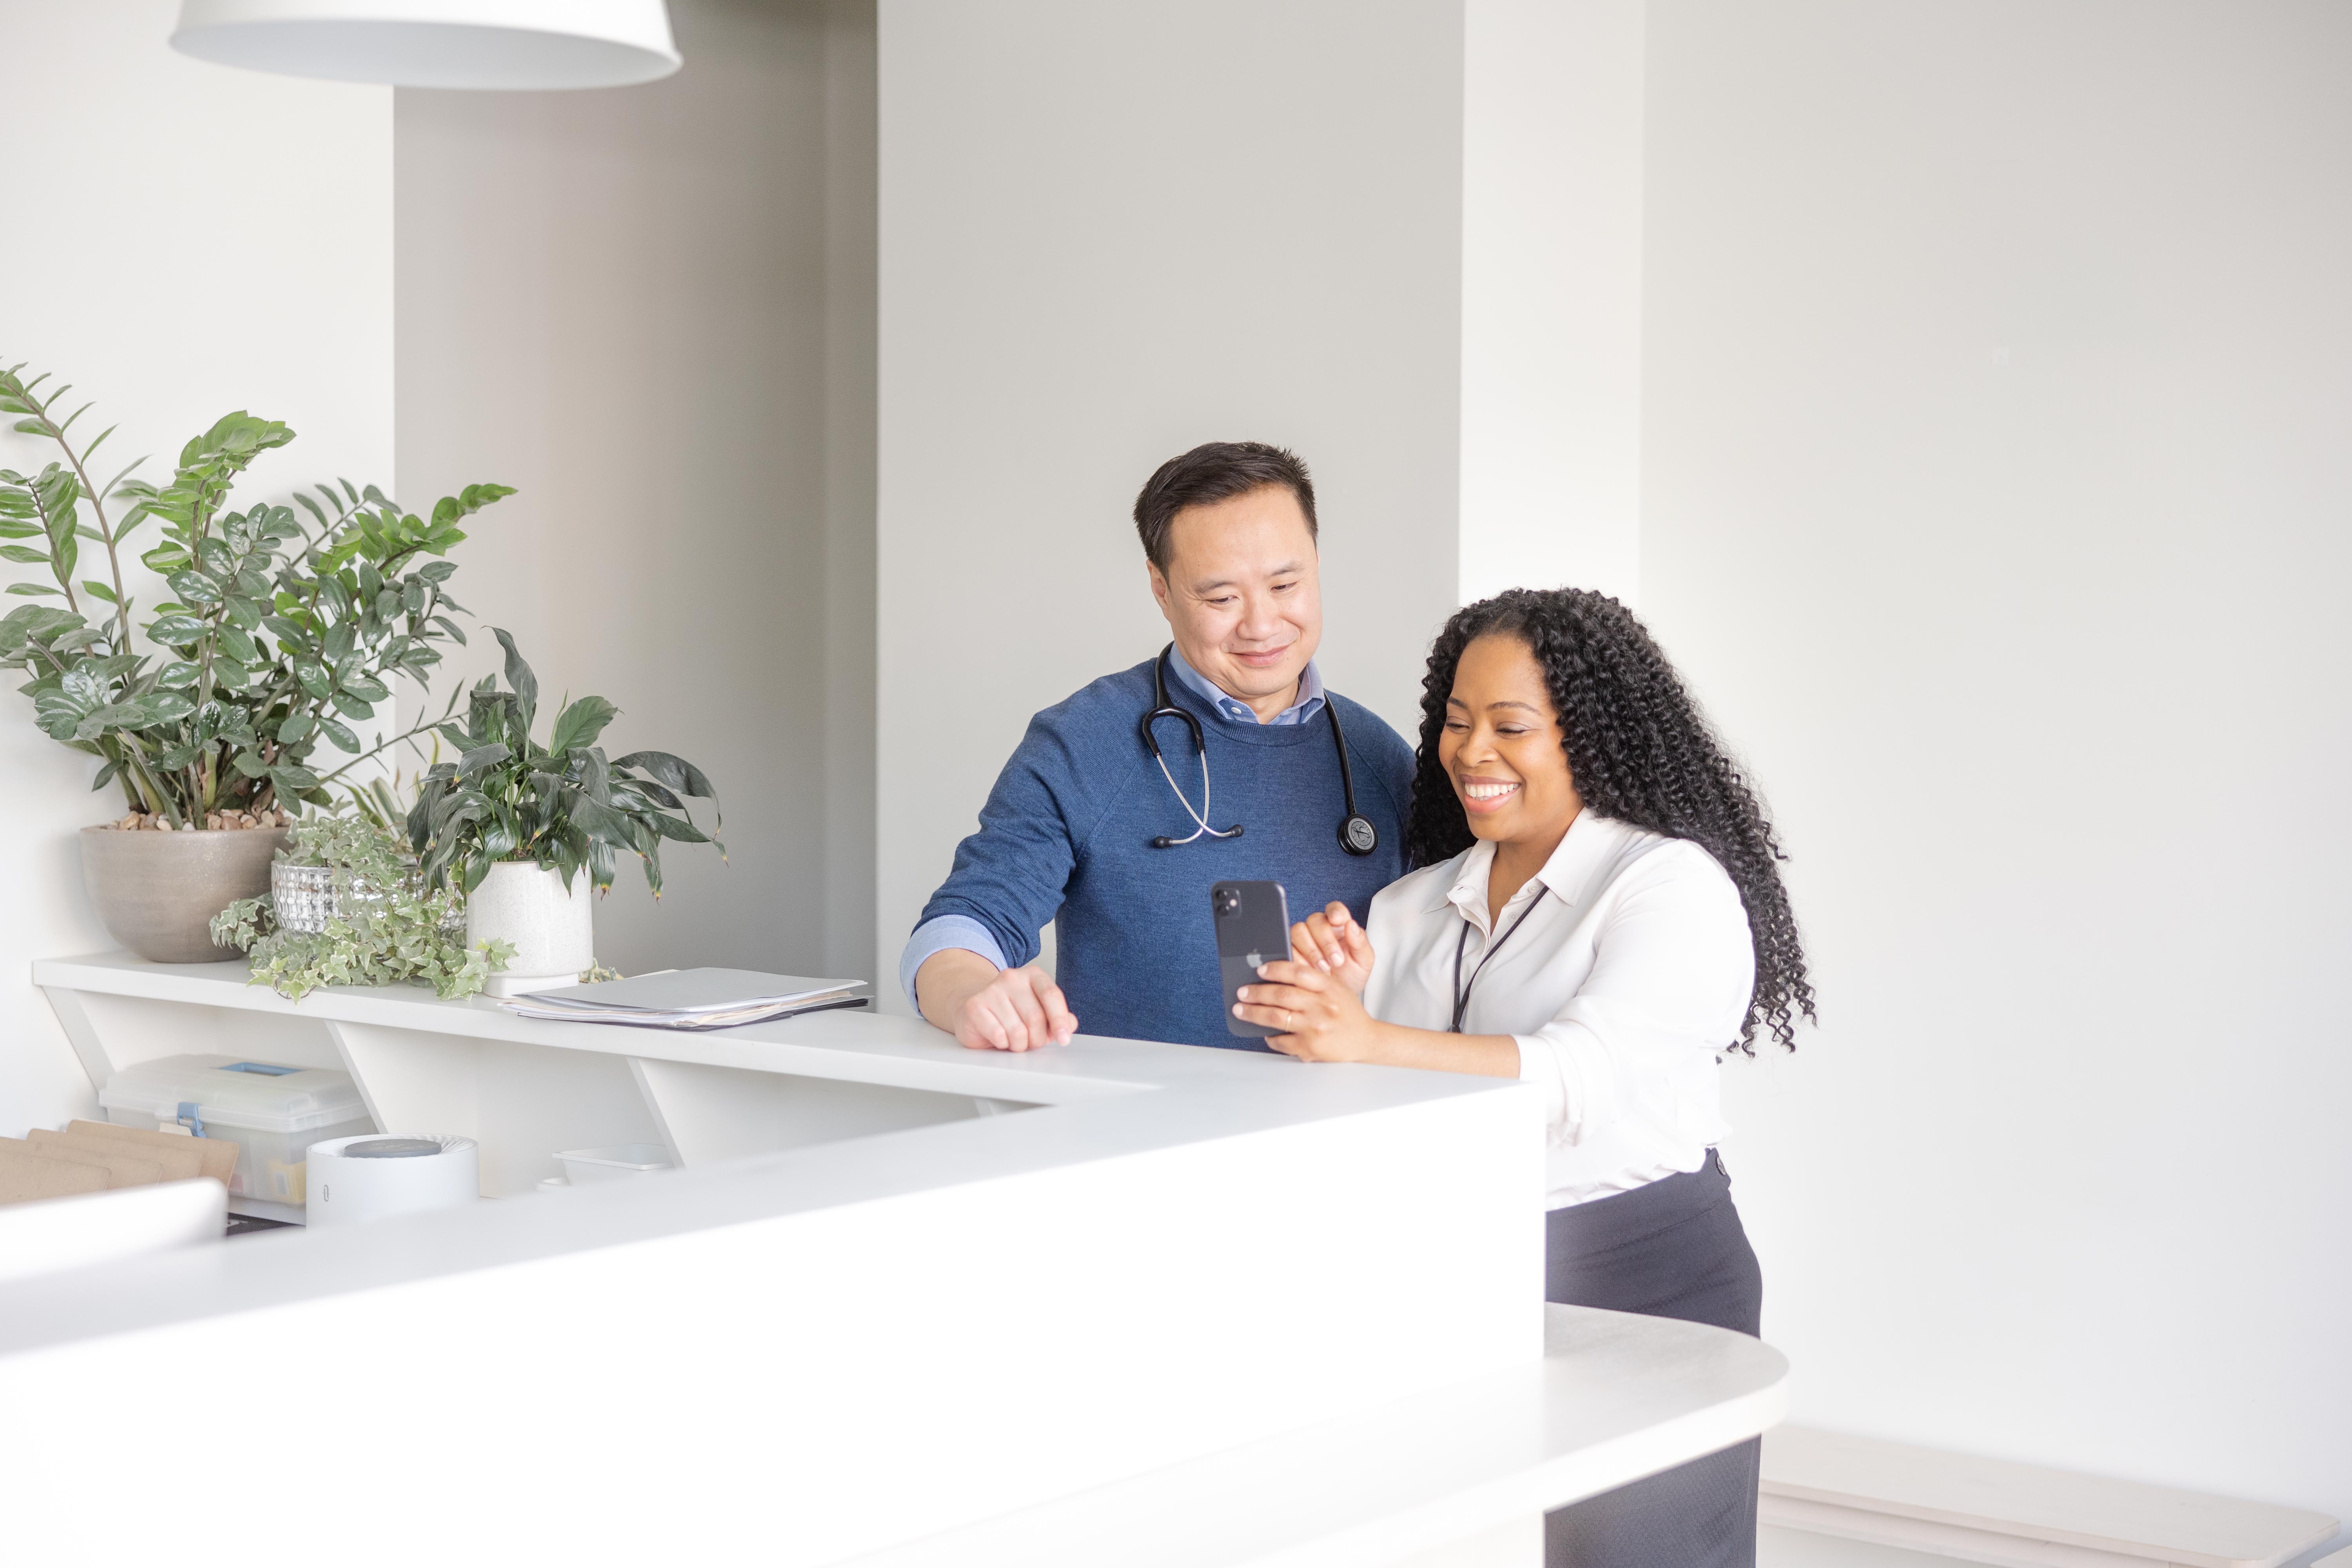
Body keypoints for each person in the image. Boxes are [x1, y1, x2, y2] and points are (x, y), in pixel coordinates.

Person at [1232, 587, 1814, 1568]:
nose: (1471, 751)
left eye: (1511, 725)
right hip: (1455, 1280)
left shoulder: (1670, 886)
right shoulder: (1415, 904)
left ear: (1590, 736)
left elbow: (1575, 1081)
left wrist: (1365, 1039)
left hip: (1647, 1284)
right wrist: (1326, 1016)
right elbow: (1371, 1106)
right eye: (1457, 721)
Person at [902, 440, 1417, 1052]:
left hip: (1328, 1131)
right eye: (1221, 598)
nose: (1260, 624)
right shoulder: (1084, 741)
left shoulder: (1380, 759)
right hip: (1131, 1132)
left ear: (1317, 564)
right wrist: (972, 997)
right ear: (1162, 590)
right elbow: (966, 926)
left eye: (1285, 584)